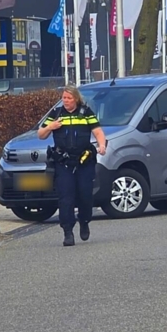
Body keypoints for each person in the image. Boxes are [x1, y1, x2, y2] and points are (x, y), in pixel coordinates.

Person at [38, 86, 107, 247]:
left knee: (85, 195)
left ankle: (84, 221)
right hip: (63, 163)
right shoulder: (56, 114)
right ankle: (67, 231)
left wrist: (102, 145)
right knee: (66, 198)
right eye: (64, 98)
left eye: (69, 98)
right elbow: (41, 135)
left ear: (75, 99)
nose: (66, 101)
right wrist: (50, 127)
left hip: (84, 161)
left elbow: (97, 131)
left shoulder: (85, 113)